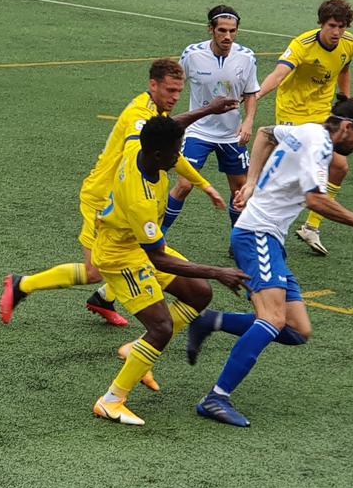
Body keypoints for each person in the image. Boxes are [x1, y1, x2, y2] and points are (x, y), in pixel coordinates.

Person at [190, 97, 353, 428]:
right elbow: (316, 200)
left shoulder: (309, 130)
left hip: (270, 239)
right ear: (346, 127)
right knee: (271, 319)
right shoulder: (318, 147)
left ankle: (211, 322)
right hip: (257, 235)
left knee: (297, 330)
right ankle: (216, 398)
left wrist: (251, 181)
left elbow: (266, 134)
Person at [0, 58, 236, 328]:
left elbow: (170, 152)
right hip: (103, 198)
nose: (175, 97)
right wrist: (207, 110)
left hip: (123, 200)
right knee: (95, 270)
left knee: (131, 251)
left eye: (179, 92)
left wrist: (203, 184)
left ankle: (104, 300)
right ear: (153, 85)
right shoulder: (139, 114)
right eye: (170, 90)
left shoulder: (158, 116)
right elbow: (158, 144)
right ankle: (23, 285)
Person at [91, 116, 250, 426]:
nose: (180, 157)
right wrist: (218, 271)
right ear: (157, 155)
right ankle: (112, 400)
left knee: (198, 293)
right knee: (161, 327)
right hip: (120, 256)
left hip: (138, 247)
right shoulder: (140, 198)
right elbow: (158, 259)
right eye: (176, 152)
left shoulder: (142, 146)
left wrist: (204, 184)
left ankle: (138, 351)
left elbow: (168, 128)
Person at [255, 0, 353, 254]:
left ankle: (311, 227)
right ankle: (257, 221)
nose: (337, 32)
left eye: (342, 26)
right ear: (322, 24)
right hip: (293, 113)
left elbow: (344, 69)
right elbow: (279, 74)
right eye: (332, 26)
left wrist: (346, 100)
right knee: (289, 175)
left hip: (324, 115)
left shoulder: (349, 43)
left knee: (340, 167)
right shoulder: (302, 45)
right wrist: (254, 97)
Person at [162, 5, 260, 238]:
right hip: (199, 131)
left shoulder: (246, 57)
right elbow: (175, 85)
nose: (227, 36)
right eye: (222, 31)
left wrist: (248, 122)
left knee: (239, 190)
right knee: (185, 185)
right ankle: (158, 236)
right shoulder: (192, 54)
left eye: (232, 31)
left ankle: (238, 241)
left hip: (231, 134)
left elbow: (251, 93)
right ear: (211, 30)